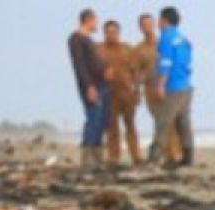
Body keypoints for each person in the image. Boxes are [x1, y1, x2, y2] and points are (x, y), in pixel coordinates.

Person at [132, 12, 181, 163]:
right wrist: (137, 91)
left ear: (154, 25)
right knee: (159, 122)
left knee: (170, 121)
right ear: (140, 27)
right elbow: (136, 73)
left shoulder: (164, 43)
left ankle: (174, 154)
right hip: (150, 90)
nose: (147, 27)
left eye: (149, 24)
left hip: (168, 88)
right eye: (143, 25)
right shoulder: (138, 49)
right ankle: (166, 154)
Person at [148, 6, 193, 167]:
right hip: (186, 85)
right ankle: (188, 156)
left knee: (163, 121)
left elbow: (166, 62)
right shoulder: (183, 38)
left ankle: (154, 156)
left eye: (159, 20)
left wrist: (160, 85)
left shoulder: (166, 37)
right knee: (184, 122)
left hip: (173, 86)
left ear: (164, 20)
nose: (157, 24)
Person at [67, 9, 110, 169]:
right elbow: (80, 65)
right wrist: (89, 86)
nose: (96, 24)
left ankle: (98, 157)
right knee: (93, 119)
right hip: (92, 85)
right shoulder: (76, 39)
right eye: (95, 21)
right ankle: (88, 157)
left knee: (101, 120)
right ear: (89, 20)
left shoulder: (89, 40)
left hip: (103, 84)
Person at [97, 20, 141, 165]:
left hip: (127, 93)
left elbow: (136, 72)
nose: (111, 35)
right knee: (112, 127)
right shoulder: (98, 50)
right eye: (108, 32)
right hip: (108, 94)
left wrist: (137, 91)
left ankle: (136, 155)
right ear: (104, 33)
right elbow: (92, 70)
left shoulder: (127, 49)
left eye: (114, 32)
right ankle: (114, 156)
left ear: (118, 33)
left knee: (130, 125)